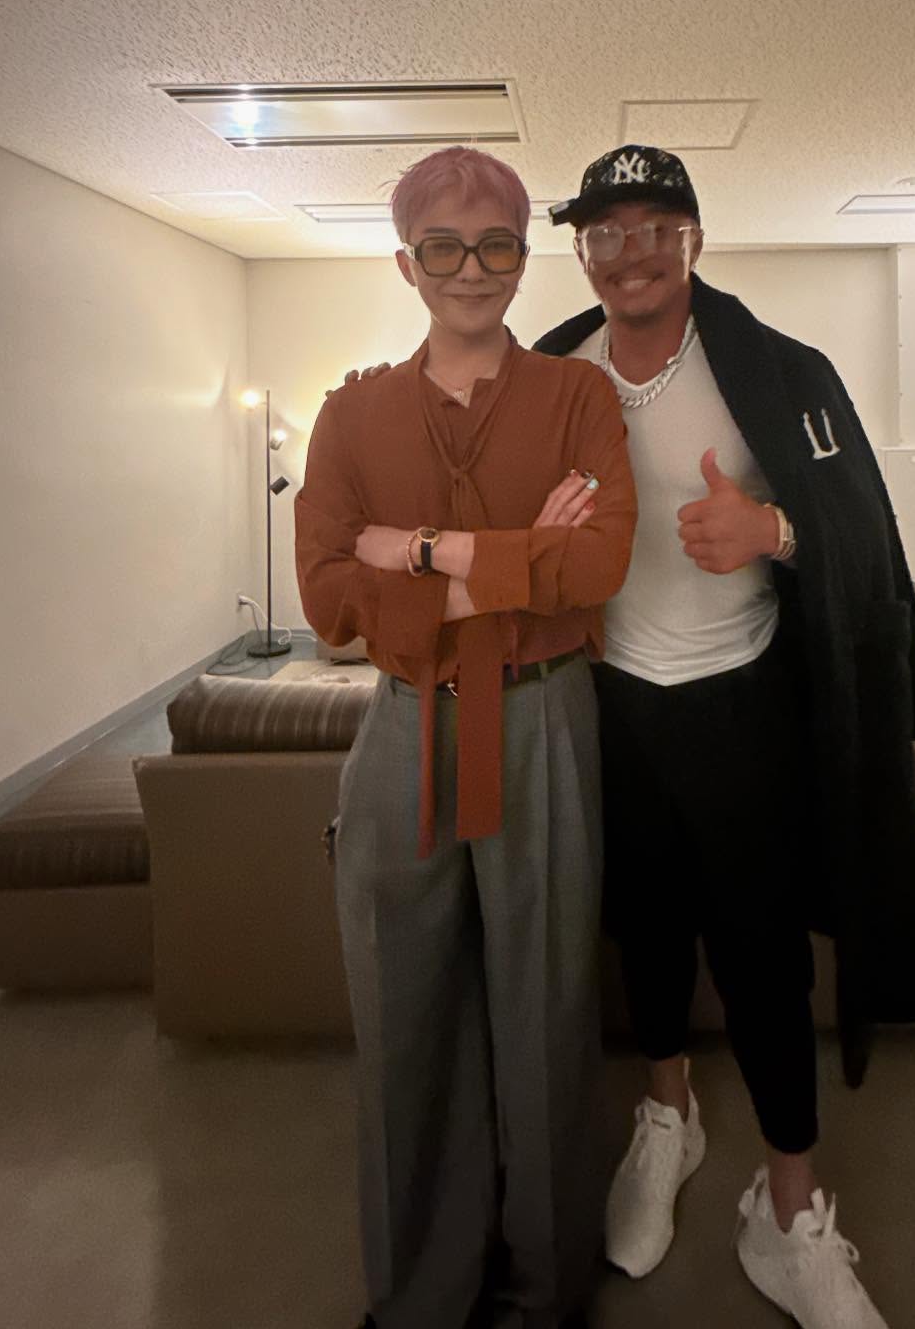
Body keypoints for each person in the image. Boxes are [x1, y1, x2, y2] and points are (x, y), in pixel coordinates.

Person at [533, 145, 915, 1329]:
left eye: (656, 229)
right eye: (606, 233)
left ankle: (788, 1206)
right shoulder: (551, 372)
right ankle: (667, 1116)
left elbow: (862, 534)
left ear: (695, 242)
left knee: (764, 955)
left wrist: (771, 529)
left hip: (744, 702)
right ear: (583, 252)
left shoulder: (779, 371)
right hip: (611, 703)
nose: (631, 254)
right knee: (646, 930)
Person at [295, 146, 636, 1329]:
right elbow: (326, 596)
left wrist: (420, 552)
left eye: (496, 244)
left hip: (544, 721)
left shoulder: (578, 398)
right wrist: (515, 561)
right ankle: (420, 1297)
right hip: (405, 731)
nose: (472, 269)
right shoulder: (351, 414)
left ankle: (546, 1293)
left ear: (523, 257)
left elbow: (598, 564)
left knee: (548, 1016)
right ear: (408, 263)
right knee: (403, 1021)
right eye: (443, 246)